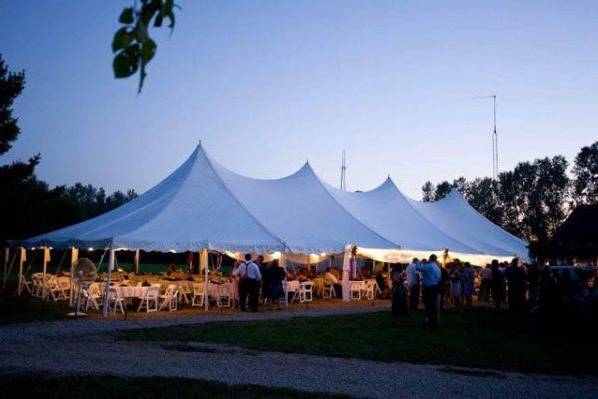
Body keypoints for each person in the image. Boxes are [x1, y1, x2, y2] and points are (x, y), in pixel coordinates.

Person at [416, 254, 442, 328]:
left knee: (428, 305)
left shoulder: (428, 266)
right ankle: (434, 321)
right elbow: (439, 278)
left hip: (428, 288)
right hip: (435, 287)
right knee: (433, 305)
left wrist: (418, 262)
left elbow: (418, 268)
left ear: (430, 258)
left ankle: (429, 322)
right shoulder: (437, 267)